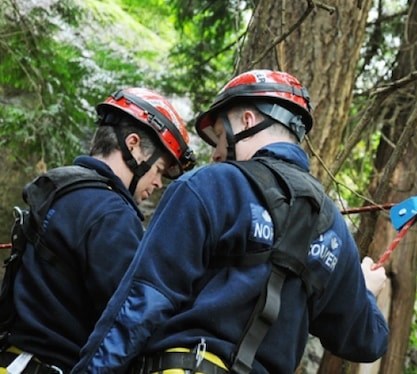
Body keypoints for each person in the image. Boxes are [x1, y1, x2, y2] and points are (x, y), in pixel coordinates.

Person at [73, 70, 389, 373]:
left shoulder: (211, 186)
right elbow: (367, 340)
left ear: (247, 120)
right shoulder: (334, 230)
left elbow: (140, 303)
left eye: (222, 138)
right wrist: (364, 292)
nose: (216, 154)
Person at [0, 87, 196, 373]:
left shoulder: (63, 188)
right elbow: (132, 315)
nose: (157, 184)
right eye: (159, 169)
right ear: (133, 145)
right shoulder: (111, 212)